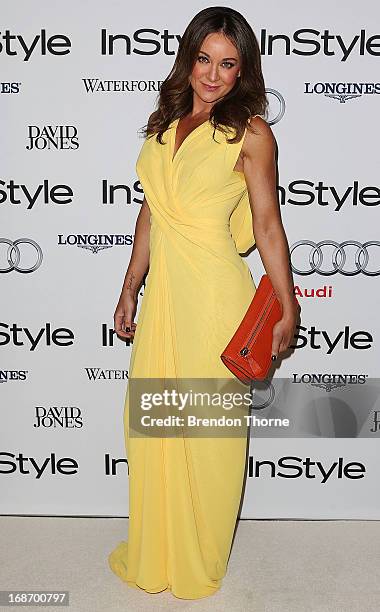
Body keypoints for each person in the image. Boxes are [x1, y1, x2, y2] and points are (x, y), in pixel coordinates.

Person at [108, 6, 298, 600]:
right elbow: (149, 217)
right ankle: (158, 546)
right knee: (155, 431)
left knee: (210, 437)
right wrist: (128, 288)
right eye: (204, 59)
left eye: (228, 64)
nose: (212, 75)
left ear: (243, 72)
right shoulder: (164, 123)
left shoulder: (252, 133)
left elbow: (266, 222)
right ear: (189, 58)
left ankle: (201, 555)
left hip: (215, 296)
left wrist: (288, 305)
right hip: (165, 296)